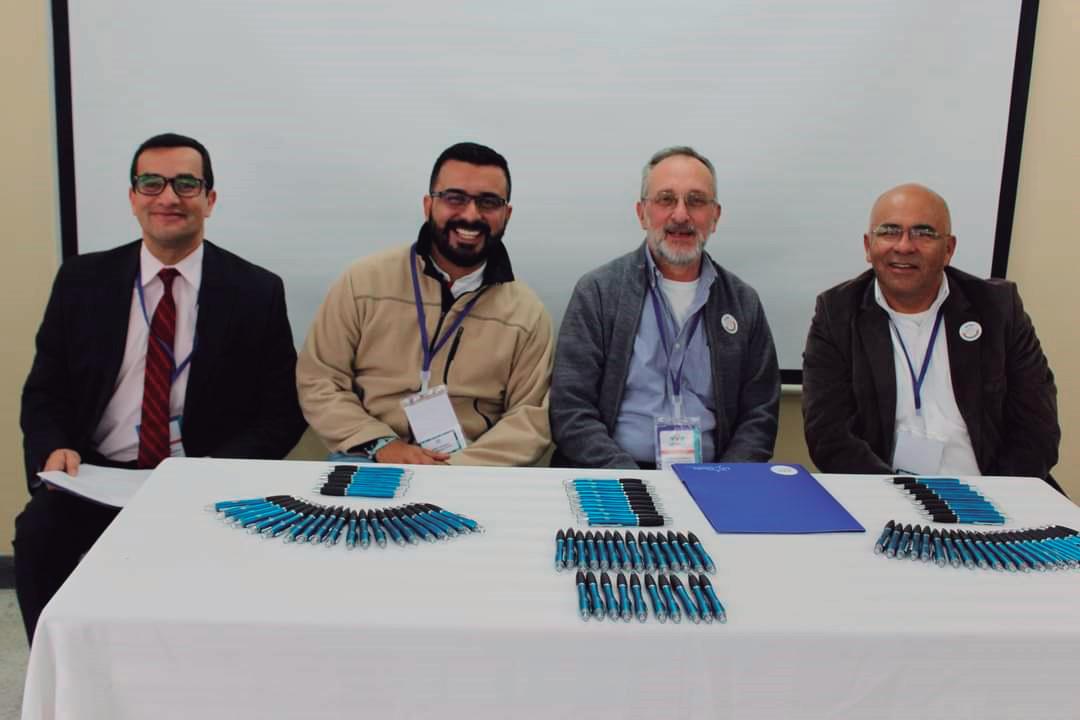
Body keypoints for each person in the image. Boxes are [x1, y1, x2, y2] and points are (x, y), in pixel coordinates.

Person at [16, 133, 307, 641]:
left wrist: (213, 471)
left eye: (186, 184)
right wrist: (53, 448)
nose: (168, 197)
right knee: (38, 536)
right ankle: (56, 672)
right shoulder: (82, 280)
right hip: (96, 476)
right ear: (133, 198)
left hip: (201, 481)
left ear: (209, 199)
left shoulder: (255, 290)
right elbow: (45, 391)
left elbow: (282, 411)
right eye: (152, 183)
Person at [297, 142, 553, 466]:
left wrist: (456, 468)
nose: (471, 215)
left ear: (507, 214)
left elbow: (530, 418)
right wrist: (381, 444)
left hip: (473, 468)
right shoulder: (362, 283)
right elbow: (319, 380)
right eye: (455, 198)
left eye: (488, 202)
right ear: (428, 205)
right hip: (369, 456)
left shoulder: (527, 314)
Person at [802, 183, 1061, 488]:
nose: (904, 246)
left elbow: (1036, 429)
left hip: (995, 490)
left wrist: (990, 497)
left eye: (923, 233)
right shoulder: (837, 313)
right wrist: (902, 496)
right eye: (889, 231)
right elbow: (829, 436)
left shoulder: (997, 309)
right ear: (868, 246)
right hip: (883, 492)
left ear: (948, 249)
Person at [550, 146, 780, 469]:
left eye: (696, 201)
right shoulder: (598, 292)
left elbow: (760, 415)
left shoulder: (743, 303)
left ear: (715, 216)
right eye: (666, 199)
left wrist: (725, 479)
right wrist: (631, 478)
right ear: (642, 213)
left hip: (713, 475)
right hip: (613, 474)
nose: (681, 215)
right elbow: (570, 410)